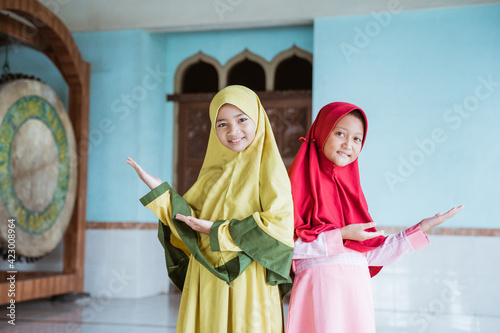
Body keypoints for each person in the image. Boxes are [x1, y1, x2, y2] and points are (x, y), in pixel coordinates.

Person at [126, 85, 294, 333]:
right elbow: (186, 222)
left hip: (249, 280)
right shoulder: (210, 176)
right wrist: (162, 191)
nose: (233, 130)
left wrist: (219, 231)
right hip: (206, 277)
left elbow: (278, 228)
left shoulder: (271, 173)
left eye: (241, 119)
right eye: (222, 124)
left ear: (258, 119)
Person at [285, 102, 463, 333]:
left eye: (357, 139)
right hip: (318, 295)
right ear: (321, 132)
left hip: (356, 299)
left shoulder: (354, 195)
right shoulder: (291, 189)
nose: (348, 144)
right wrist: (341, 235)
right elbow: (283, 249)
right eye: (340, 133)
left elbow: (370, 254)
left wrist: (421, 228)